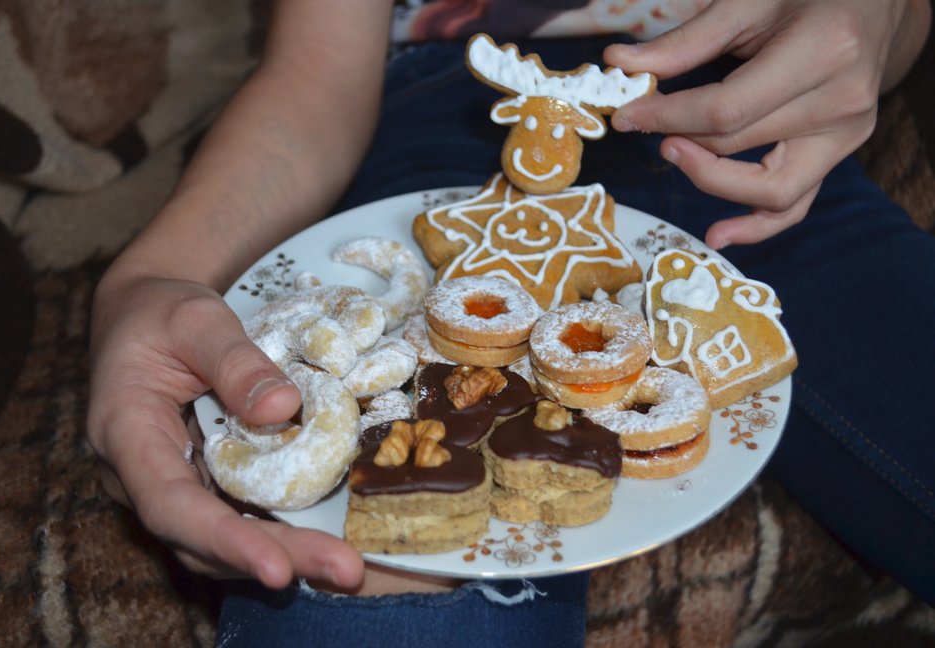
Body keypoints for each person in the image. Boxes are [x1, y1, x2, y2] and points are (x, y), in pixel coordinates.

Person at [86, 0, 934, 644]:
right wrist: (152, 278)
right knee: (395, 582)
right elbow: (312, 77)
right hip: (445, 105)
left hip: (761, 134)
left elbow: (892, 28)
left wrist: (880, 19)